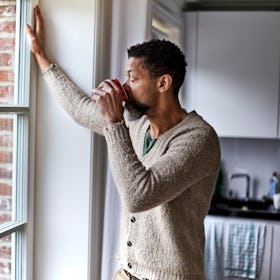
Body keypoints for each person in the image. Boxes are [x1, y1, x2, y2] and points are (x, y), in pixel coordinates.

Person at [26, 6, 220, 280]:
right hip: (126, 274)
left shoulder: (199, 139)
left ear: (163, 83)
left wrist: (115, 123)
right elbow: (81, 109)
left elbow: (139, 195)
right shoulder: (136, 122)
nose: (124, 86)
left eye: (132, 77)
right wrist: (41, 56)